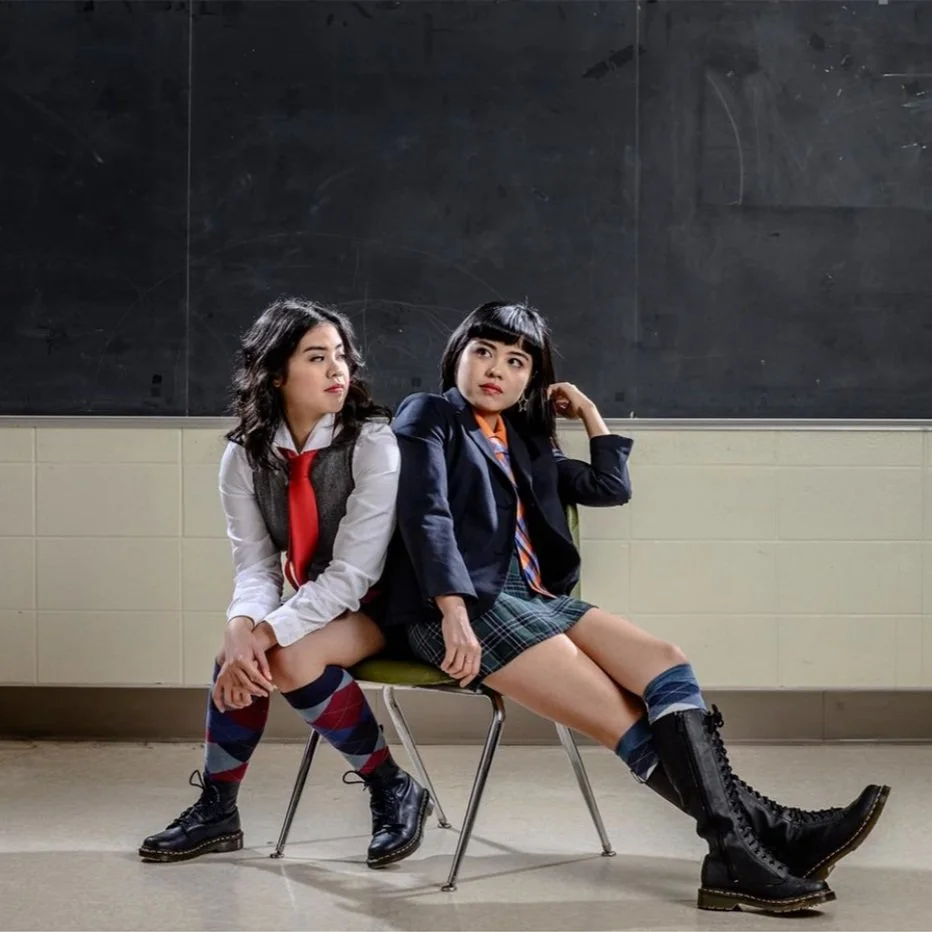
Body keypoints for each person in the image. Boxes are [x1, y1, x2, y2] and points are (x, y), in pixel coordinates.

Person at [383, 300, 890, 913]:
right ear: (457, 356)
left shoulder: (520, 439)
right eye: (484, 352)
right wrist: (453, 613)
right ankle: (748, 847)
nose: (497, 370)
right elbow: (426, 516)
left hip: (533, 598)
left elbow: (609, 487)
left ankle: (762, 840)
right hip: (459, 607)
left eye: (517, 362)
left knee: (665, 662)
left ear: (532, 381)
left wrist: (589, 414)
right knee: (621, 715)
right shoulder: (429, 414)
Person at [139, 298, 431, 868]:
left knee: (284, 657)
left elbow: (353, 576)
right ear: (276, 373)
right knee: (239, 654)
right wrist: (240, 627)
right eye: (317, 358)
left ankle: (391, 785)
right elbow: (256, 566)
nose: (337, 369)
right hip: (322, 606)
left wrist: (263, 634)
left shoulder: (373, 443)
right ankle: (219, 810)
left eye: (341, 355)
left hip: (391, 605)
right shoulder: (244, 455)